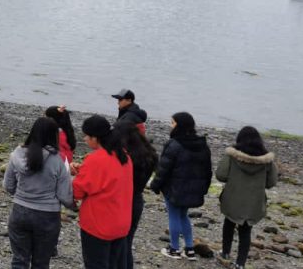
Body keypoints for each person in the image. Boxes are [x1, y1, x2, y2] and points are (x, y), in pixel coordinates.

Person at [3, 117, 77, 269]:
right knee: (41, 263)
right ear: (53, 136)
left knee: (19, 260)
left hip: (20, 211)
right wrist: (76, 207)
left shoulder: (17, 154)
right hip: (47, 216)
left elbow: (8, 186)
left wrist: (22, 194)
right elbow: (64, 196)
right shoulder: (57, 161)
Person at [71, 115, 132, 269]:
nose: (84, 139)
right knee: (113, 264)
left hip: (99, 223)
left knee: (96, 264)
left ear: (96, 138)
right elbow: (108, 180)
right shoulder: (124, 155)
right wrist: (83, 170)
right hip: (121, 222)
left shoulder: (96, 159)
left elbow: (77, 191)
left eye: (86, 136)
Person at [150, 112, 212, 261]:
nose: (170, 126)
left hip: (174, 189)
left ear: (179, 125)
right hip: (193, 190)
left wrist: (155, 185)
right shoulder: (202, 145)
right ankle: (190, 249)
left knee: (174, 216)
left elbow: (163, 169)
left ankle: (174, 248)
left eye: (172, 123)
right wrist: (204, 189)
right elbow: (208, 171)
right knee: (183, 216)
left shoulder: (174, 144)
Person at [216, 127, 278, 269]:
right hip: (254, 203)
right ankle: (240, 263)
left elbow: (221, 175)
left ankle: (225, 253)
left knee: (229, 224)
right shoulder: (267, 160)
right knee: (246, 231)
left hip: (232, 198)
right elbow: (271, 183)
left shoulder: (232, 155)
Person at [113, 121, 158, 269]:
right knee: (127, 241)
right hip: (137, 199)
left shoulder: (124, 157)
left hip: (122, 200)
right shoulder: (148, 154)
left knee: (117, 244)